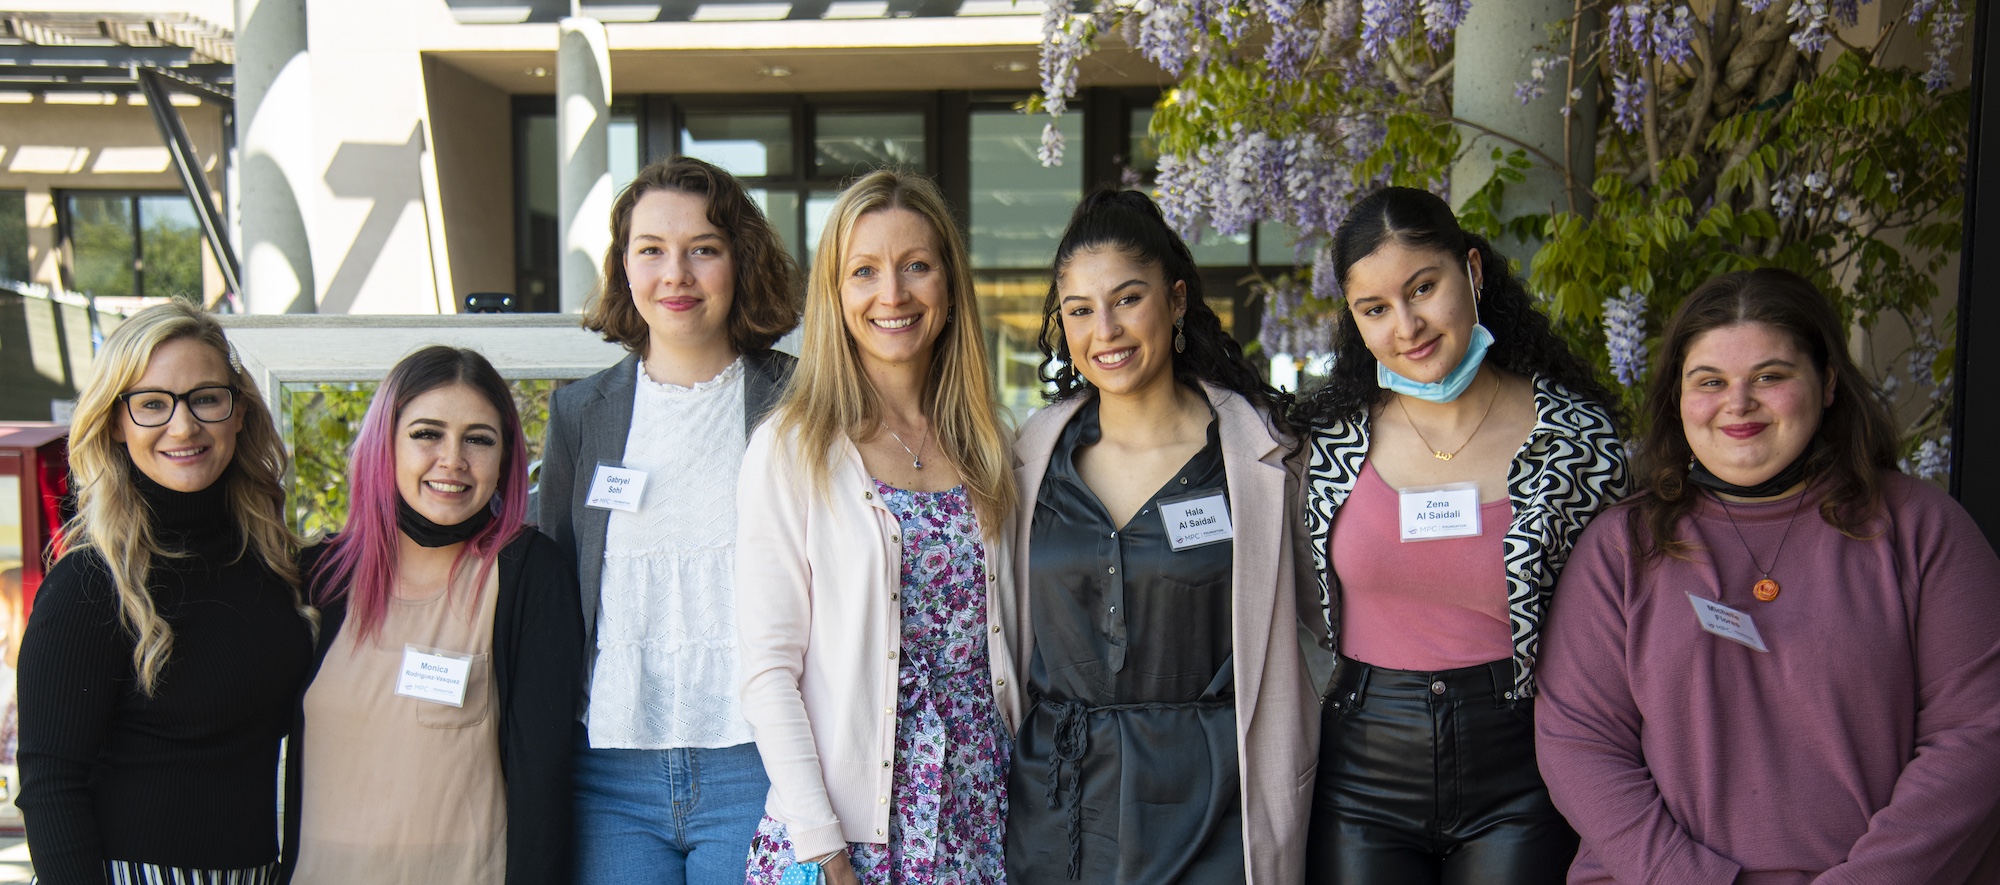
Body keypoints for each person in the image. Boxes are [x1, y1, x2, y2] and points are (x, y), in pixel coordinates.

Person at [1535, 268, 2000, 884]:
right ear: (1678, 396)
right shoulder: (1624, 548)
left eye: (1770, 377)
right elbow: (1580, 743)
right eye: (1710, 381)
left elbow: (1977, 735)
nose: (1738, 403)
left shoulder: (1923, 529)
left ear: (1828, 381)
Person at [1296, 186, 1628, 883]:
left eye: (1425, 288)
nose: (1408, 324)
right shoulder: (1323, 442)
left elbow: (1620, 622)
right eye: (1376, 308)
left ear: (1471, 271)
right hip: (1361, 769)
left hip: (1523, 762)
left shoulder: (1577, 437)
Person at [1004, 188, 1318, 885]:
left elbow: (1331, 616)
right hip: (1059, 808)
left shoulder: (1264, 454)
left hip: (1215, 804)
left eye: (1128, 299)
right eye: (1080, 311)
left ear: (1176, 301)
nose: (1105, 330)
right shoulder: (1027, 460)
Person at [735, 169, 1020, 885]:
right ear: (835, 295)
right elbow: (768, 672)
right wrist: (825, 849)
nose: (891, 294)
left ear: (950, 289)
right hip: (848, 837)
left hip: (981, 819)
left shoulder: (994, 445)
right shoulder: (791, 447)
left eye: (916, 266)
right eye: (863, 271)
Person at [539, 156, 801, 884]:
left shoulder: (800, 402)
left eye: (703, 250)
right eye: (651, 249)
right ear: (624, 266)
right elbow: (556, 586)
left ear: (740, 262)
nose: (675, 274)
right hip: (609, 774)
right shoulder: (578, 415)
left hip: (755, 761)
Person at [16, 301, 313, 884]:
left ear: (238, 412)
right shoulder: (89, 585)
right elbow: (51, 787)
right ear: (117, 425)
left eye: (205, 397)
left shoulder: (276, 565)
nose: (184, 426)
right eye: (152, 404)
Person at [284, 345, 584, 884]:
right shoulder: (321, 575)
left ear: (506, 458)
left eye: (478, 439)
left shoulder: (527, 574)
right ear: (387, 444)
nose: (453, 459)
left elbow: (543, 782)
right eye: (427, 434)